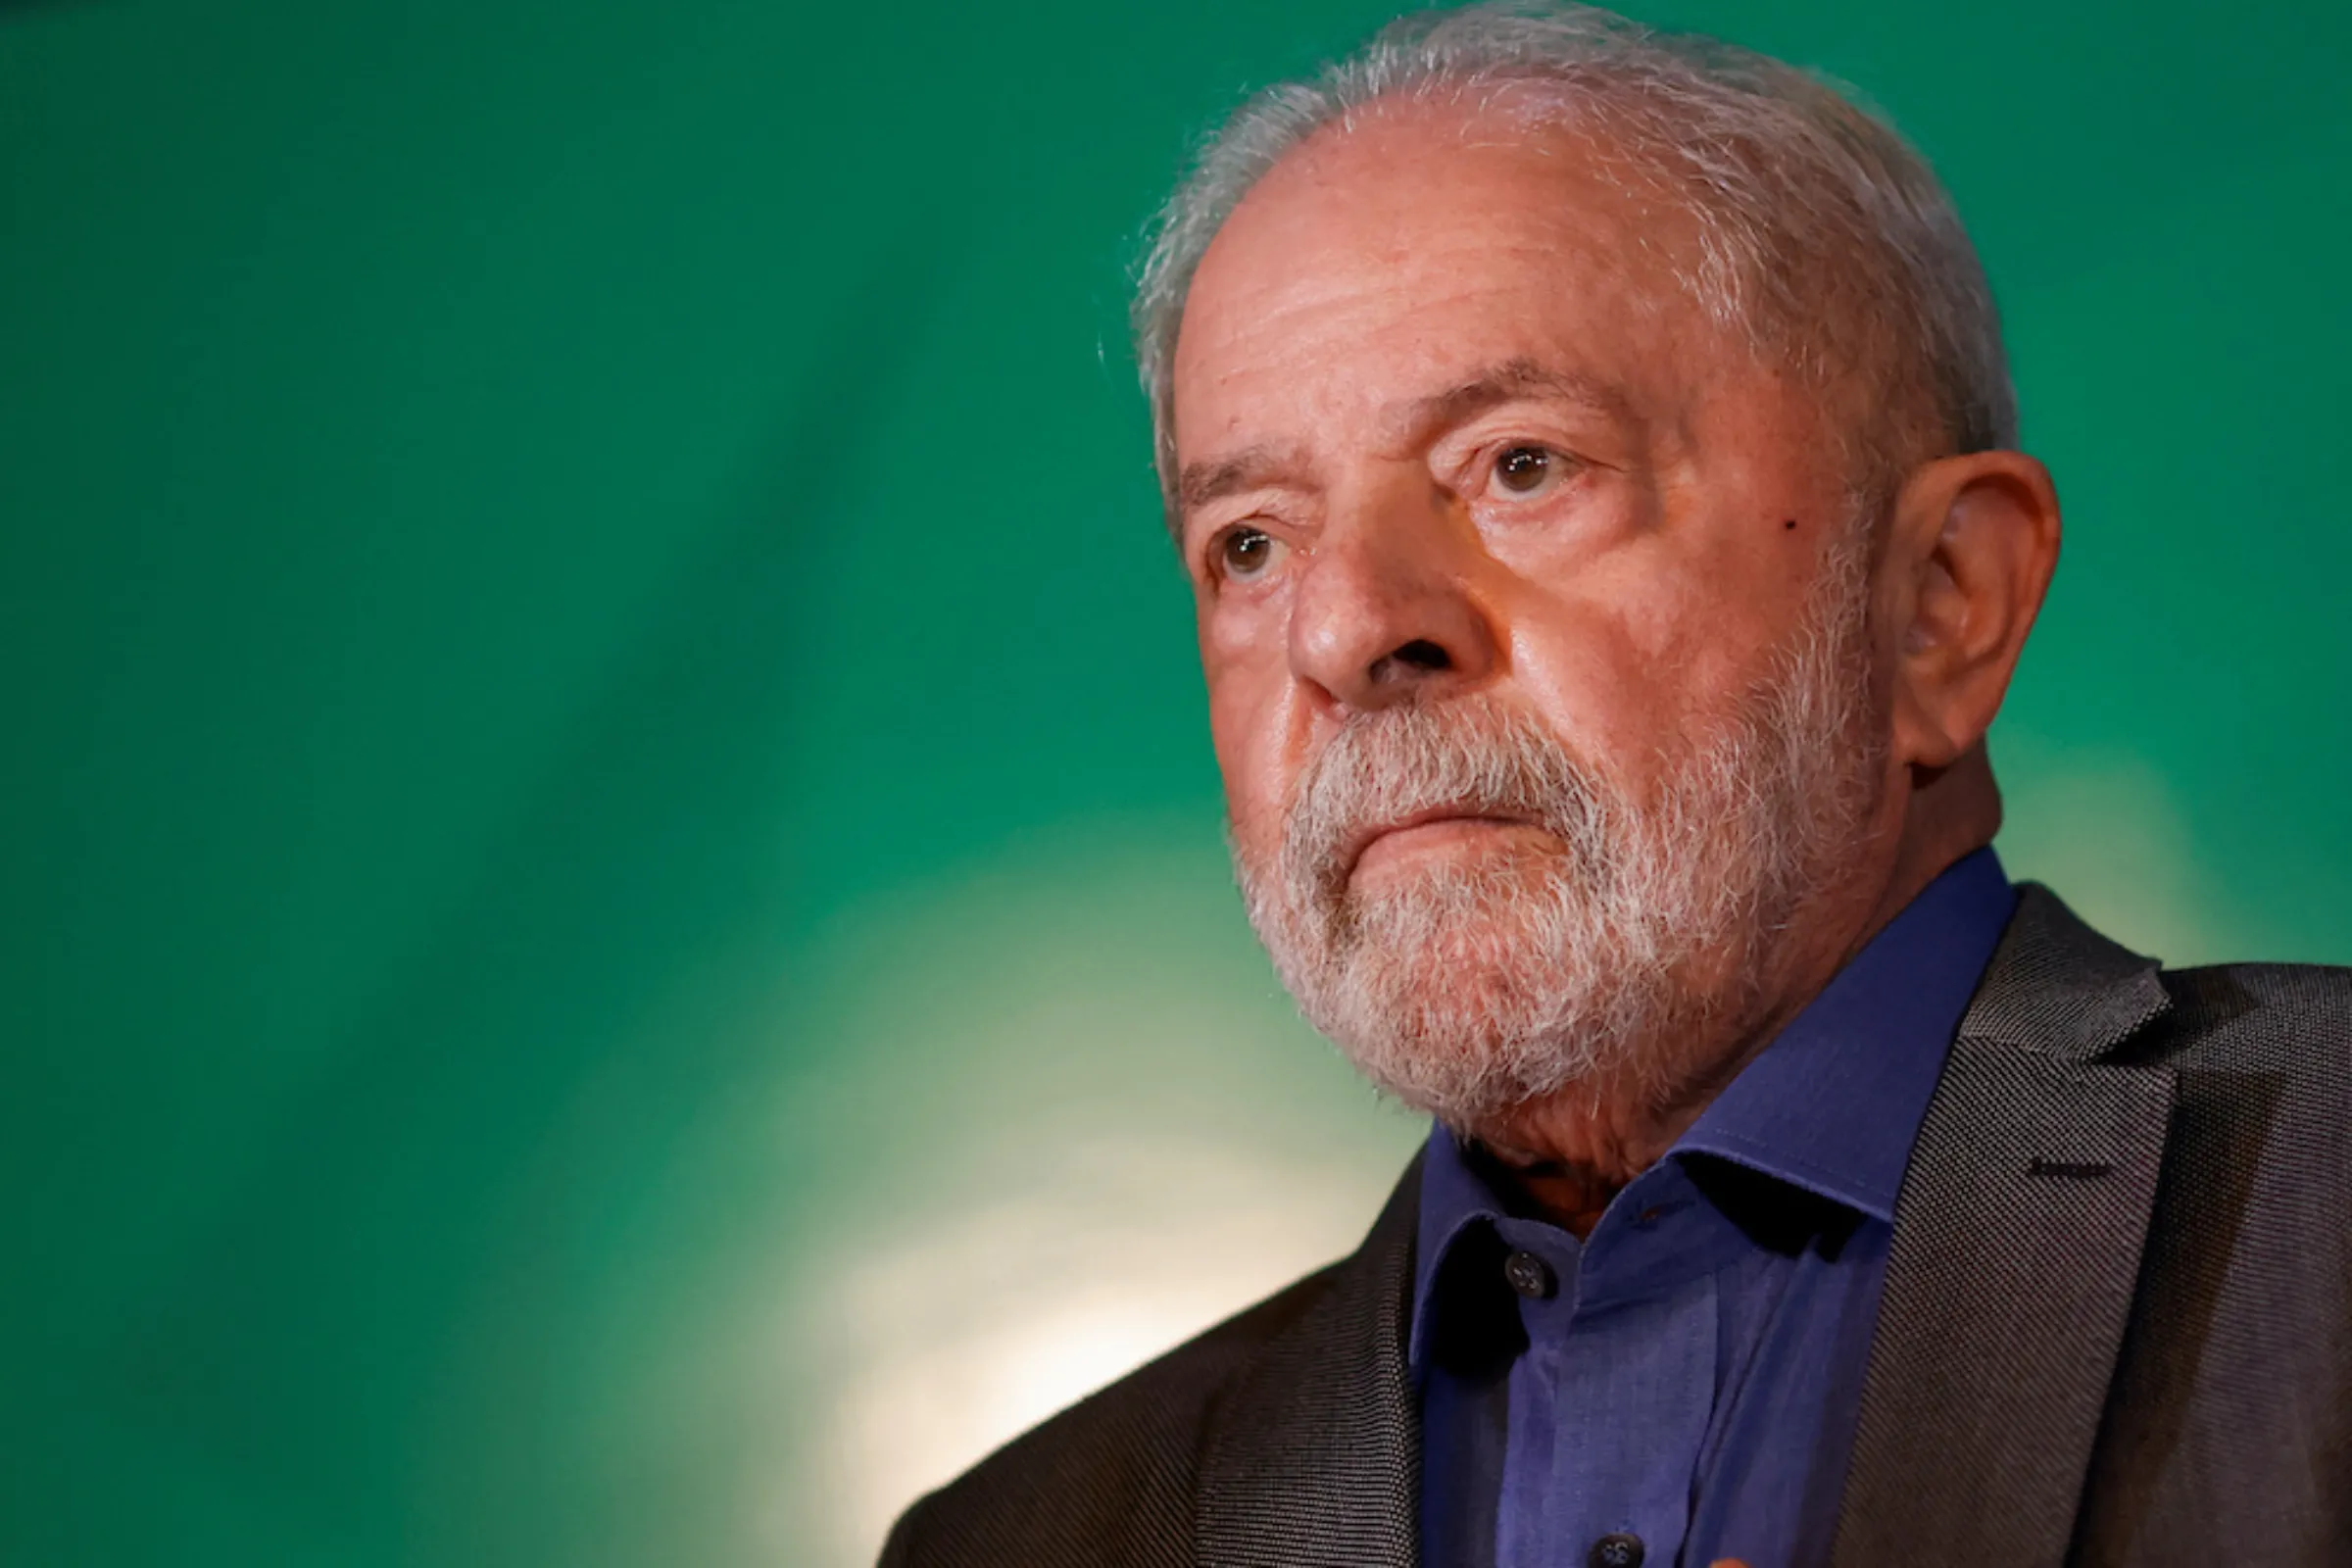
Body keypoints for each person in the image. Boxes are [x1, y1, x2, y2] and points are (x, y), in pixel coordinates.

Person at [879, 5, 2352, 1565]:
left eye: (1518, 465)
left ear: (1939, 602)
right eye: (1250, 541)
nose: (1344, 628)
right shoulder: (1026, 1539)